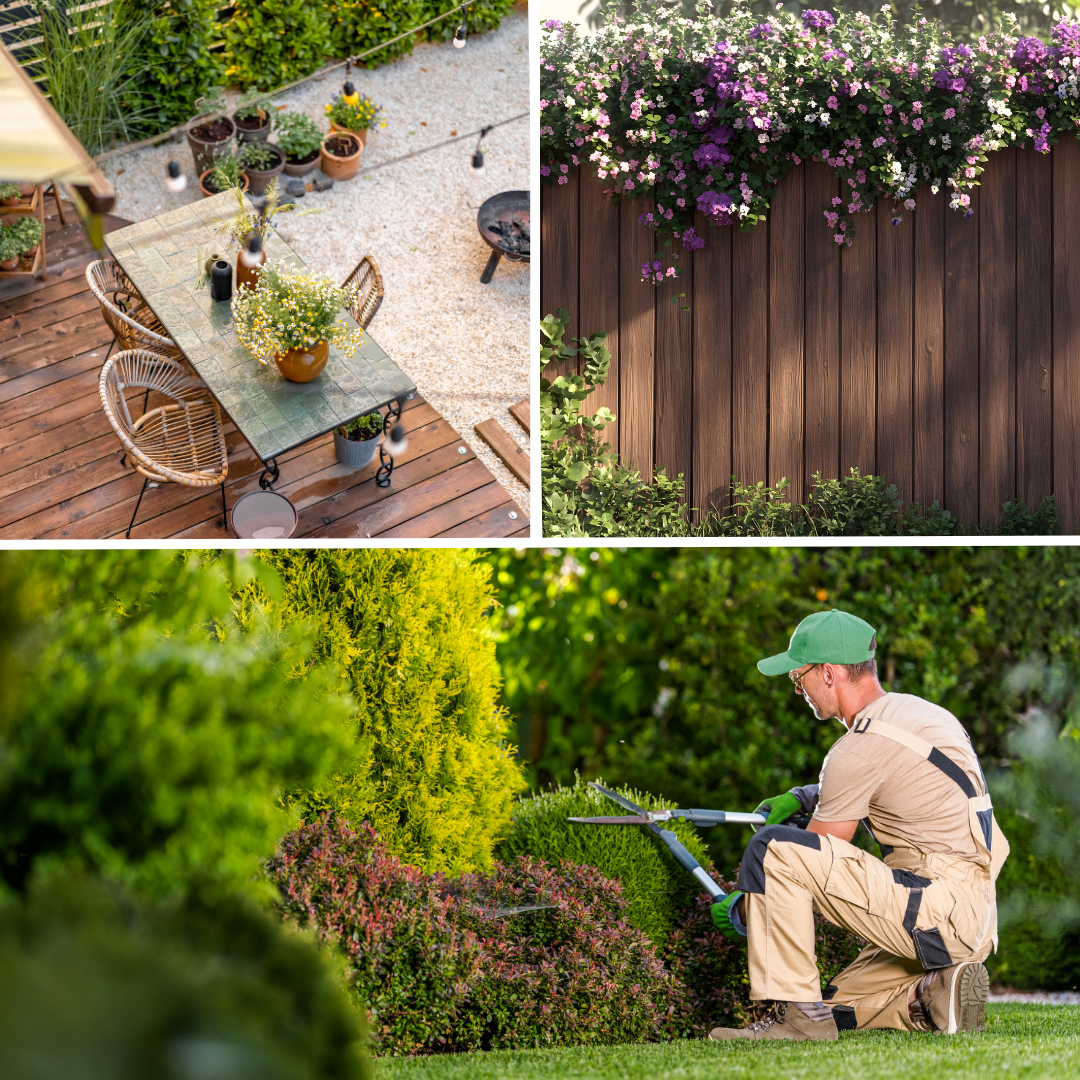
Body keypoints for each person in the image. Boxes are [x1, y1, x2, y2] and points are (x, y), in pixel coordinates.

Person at [707, 609, 1008, 1042]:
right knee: (832, 1005)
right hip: (972, 917)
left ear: (828, 673)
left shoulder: (857, 748)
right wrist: (806, 795)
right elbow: (897, 779)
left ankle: (799, 1024)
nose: (797, 687)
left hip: (935, 911)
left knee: (772, 850)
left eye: (799, 675)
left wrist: (744, 909)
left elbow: (811, 863)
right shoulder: (920, 715)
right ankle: (930, 995)